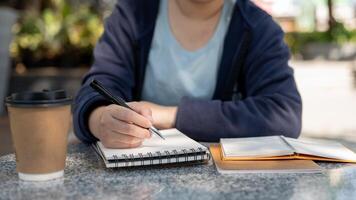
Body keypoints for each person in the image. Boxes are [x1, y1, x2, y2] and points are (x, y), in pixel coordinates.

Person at [73, 0, 302, 148]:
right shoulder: (133, 13)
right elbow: (98, 87)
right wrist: (100, 119)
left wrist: (170, 116)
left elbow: (283, 115)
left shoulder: (256, 28)